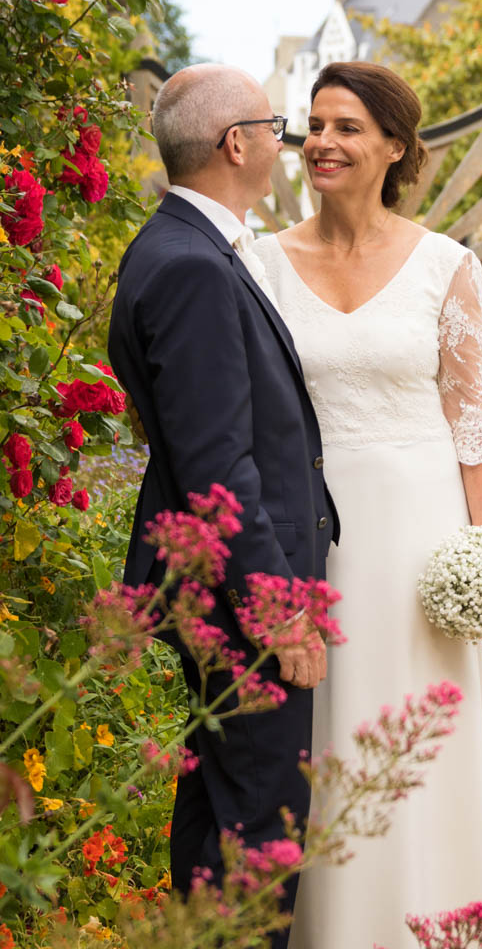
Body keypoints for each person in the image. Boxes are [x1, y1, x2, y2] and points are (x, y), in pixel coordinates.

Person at [253, 61, 482, 949]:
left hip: (421, 533)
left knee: (426, 729)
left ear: (395, 147)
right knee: (331, 730)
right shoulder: (261, 264)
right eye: (315, 125)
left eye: (347, 128)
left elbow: (469, 413)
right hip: (313, 529)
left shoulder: (445, 263)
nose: (321, 143)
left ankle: (438, 920)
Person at [107, 63, 339, 947]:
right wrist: (277, 607)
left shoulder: (178, 247)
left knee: (219, 808)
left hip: (222, 590)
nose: (288, 142)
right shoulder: (192, 267)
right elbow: (215, 466)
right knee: (260, 830)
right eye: (276, 126)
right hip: (240, 597)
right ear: (236, 143)